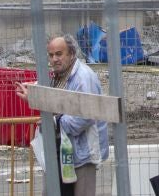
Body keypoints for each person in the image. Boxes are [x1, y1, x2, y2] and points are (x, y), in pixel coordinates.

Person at [17, 34, 109, 196]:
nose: (54, 59)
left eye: (59, 54)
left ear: (71, 54)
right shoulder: (60, 75)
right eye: (51, 55)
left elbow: (85, 116)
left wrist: (55, 123)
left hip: (82, 154)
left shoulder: (83, 78)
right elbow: (58, 98)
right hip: (61, 151)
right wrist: (34, 95)